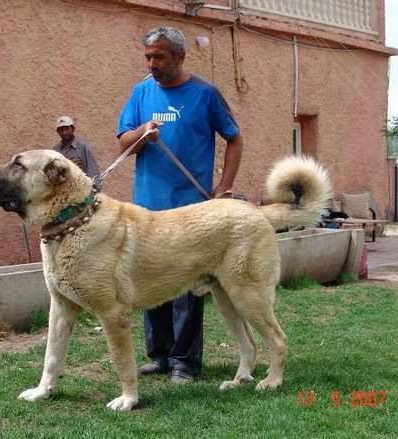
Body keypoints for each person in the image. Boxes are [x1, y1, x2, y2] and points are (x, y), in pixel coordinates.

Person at [116, 26, 244, 384]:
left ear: (180, 57)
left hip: (192, 213)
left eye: (159, 56)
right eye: (148, 57)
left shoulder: (205, 95)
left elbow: (235, 139)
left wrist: (225, 186)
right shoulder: (140, 93)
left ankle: (184, 362)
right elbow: (123, 143)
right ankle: (159, 355)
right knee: (148, 281)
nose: (152, 64)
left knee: (187, 286)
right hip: (146, 211)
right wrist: (142, 132)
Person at [53, 115, 101, 189]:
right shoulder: (55, 151)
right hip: (62, 193)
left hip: (81, 191)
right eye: (61, 130)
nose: (64, 132)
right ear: (58, 132)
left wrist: (94, 191)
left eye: (67, 129)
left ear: (73, 129)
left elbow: (93, 172)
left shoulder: (83, 148)